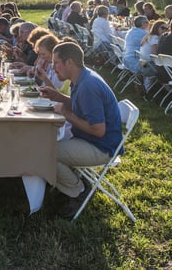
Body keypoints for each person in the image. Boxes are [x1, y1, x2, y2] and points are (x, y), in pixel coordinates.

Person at [38, 42, 122, 219]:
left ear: (70, 63)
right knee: (46, 145)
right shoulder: (82, 78)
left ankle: (77, 191)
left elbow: (98, 130)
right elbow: (80, 105)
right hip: (93, 140)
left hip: (102, 147)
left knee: (46, 152)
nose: (53, 68)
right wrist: (58, 96)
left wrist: (65, 113)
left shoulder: (88, 86)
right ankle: (71, 183)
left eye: (56, 63)